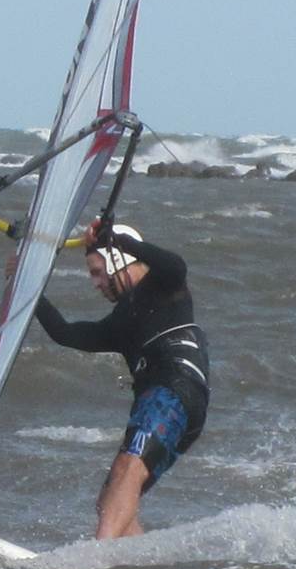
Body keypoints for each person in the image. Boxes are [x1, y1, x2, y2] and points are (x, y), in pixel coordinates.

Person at [33, 220, 210, 539]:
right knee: (110, 496)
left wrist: (116, 240)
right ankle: (134, 567)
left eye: (97, 272)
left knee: (128, 469)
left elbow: (174, 263)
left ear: (119, 261)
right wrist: (28, 288)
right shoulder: (119, 322)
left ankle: (96, 561)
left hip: (175, 388)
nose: (96, 283)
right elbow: (65, 333)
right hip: (167, 406)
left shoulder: (164, 284)